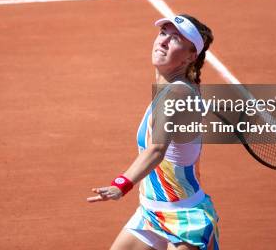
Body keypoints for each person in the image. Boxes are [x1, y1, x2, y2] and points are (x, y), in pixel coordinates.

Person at [87, 14, 219, 250]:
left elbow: (157, 149)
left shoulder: (177, 94)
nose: (164, 41)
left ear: (191, 56)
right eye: (163, 33)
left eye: (176, 38)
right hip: (151, 214)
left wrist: (121, 184)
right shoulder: (177, 91)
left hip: (185, 218)